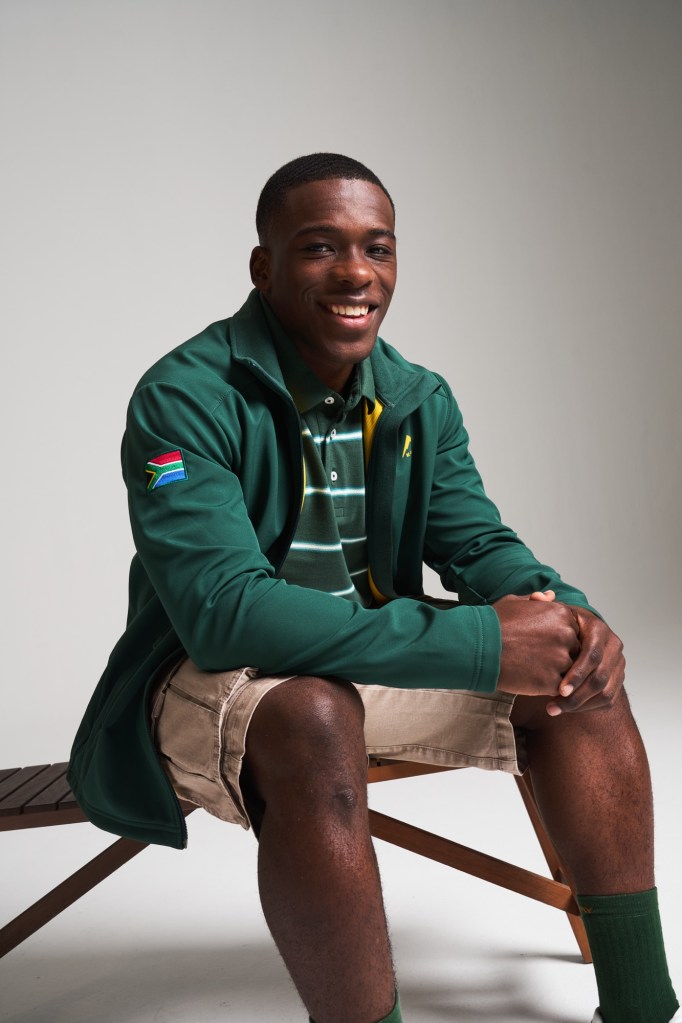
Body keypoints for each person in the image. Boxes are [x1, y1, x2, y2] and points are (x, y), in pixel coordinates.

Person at [68, 153, 678, 1023]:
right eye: (321, 247)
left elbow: (480, 545)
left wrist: (572, 618)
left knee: (579, 677)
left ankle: (643, 1006)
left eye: (377, 248)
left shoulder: (416, 397)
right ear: (264, 266)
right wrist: (479, 642)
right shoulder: (185, 396)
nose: (357, 272)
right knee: (315, 712)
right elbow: (224, 614)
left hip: (367, 661)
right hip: (215, 676)